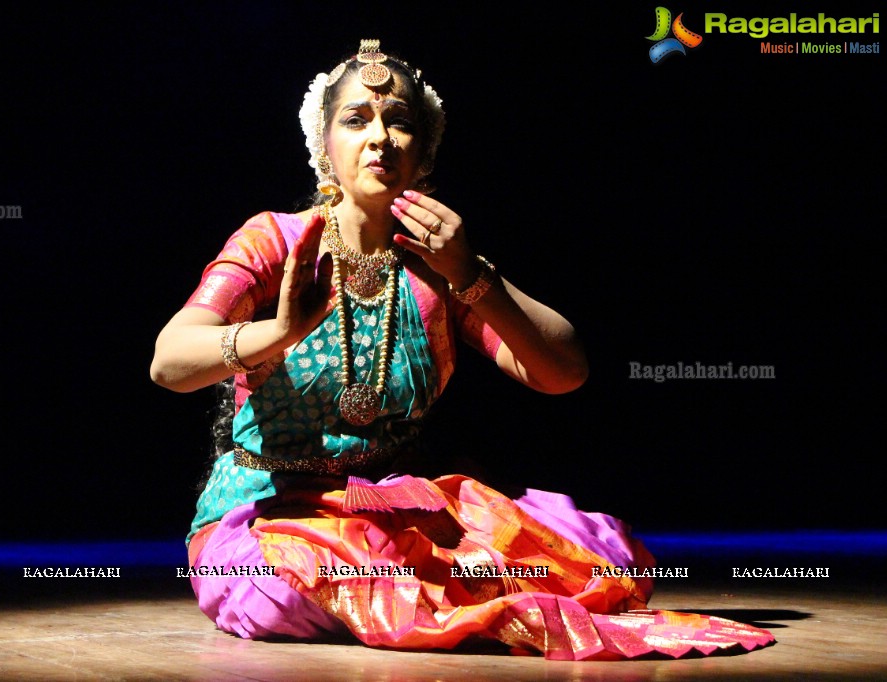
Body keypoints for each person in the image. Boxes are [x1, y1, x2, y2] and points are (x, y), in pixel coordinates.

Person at [150, 40, 773, 659]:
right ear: (324, 144)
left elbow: (563, 373)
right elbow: (169, 362)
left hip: (387, 515)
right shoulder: (276, 242)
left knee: (597, 555)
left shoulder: (438, 273)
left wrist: (475, 274)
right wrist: (277, 332)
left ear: (424, 152)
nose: (380, 138)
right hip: (262, 516)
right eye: (357, 120)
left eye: (401, 123)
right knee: (283, 592)